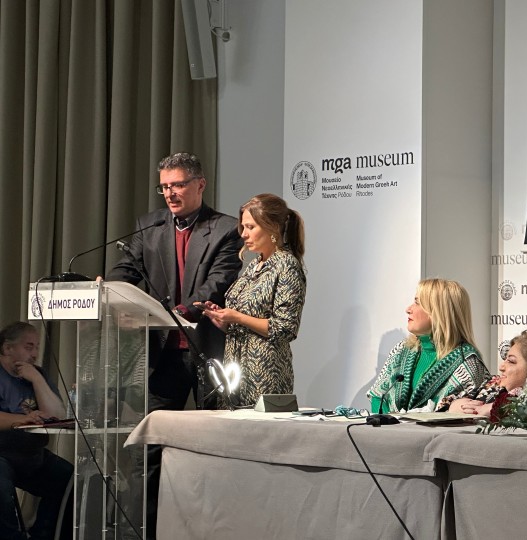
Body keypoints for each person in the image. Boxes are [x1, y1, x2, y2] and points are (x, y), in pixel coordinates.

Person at [105, 152, 241, 538]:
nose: (170, 193)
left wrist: (182, 310)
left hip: (209, 353)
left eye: (178, 184)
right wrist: (113, 289)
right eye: (164, 187)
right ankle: (144, 531)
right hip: (164, 355)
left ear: (200, 184)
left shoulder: (226, 229)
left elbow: (218, 281)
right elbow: (127, 270)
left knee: (215, 448)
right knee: (149, 449)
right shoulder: (149, 226)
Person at [200, 194, 307, 406]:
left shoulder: (286, 266)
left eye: (250, 227)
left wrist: (237, 317)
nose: (244, 234)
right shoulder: (255, 265)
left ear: (272, 227)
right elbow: (247, 322)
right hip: (236, 372)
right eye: (243, 227)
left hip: (265, 375)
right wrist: (224, 321)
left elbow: (285, 328)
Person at [367, 279, 490, 413]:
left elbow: (469, 415)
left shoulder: (468, 363)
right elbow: (378, 396)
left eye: (417, 302)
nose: (408, 309)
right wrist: (388, 423)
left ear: (438, 312)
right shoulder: (402, 349)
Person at [0, 322, 73, 540]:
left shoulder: (36, 374)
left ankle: (45, 534)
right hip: (3, 454)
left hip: (32, 456)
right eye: (28, 347)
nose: (34, 354)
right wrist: (22, 420)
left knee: (70, 480)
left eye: (37, 347)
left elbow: (57, 415)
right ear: (7, 348)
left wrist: (37, 379)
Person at [441, 329, 527, 415]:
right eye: (505, 359)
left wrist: (497, 410)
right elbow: (447, 402)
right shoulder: (493, 384)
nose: (501, 367)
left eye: (511, 361)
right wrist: (457, 407)